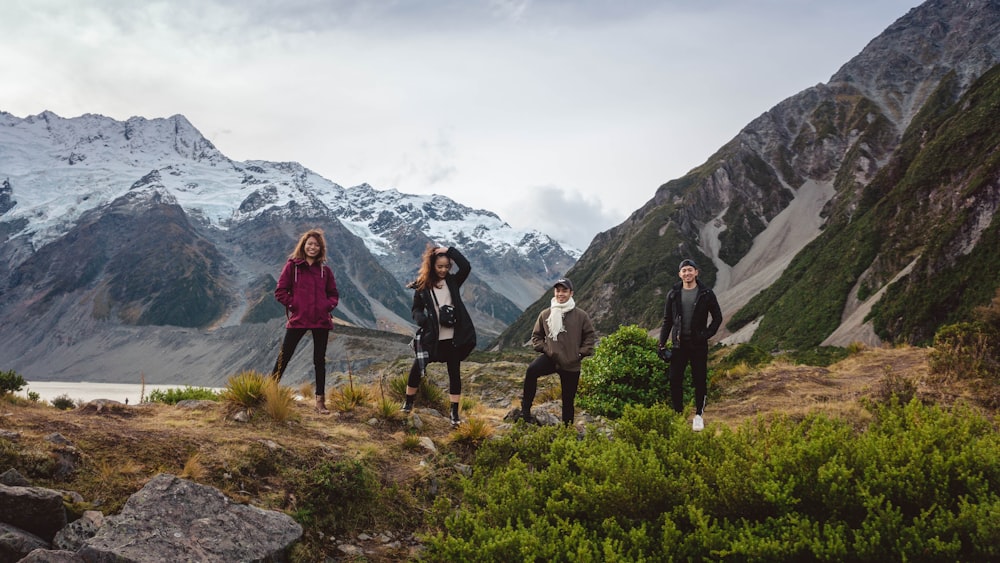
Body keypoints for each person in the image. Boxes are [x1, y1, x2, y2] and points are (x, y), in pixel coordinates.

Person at [402, 245, 477, 426]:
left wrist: (449, 250)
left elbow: (466, 266)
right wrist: (423, 320)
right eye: (439, 267)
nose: (444, 270)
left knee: (454, 373)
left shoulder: (453, 281)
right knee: (416, 369)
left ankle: (454, 413)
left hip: (453, 338)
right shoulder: (422, 285)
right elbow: (416, 309)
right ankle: (408, 403)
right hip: (432, 338)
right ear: (431, 266)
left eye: (447, 266)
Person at [271, 228, 340, 414]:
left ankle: (320, 402)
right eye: (310, 244)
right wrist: (294, 305)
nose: (313, 247)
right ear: (303, 245)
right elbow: (280, 291)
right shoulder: (292, 267)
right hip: (299, 318)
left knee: (319, 360)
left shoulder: (325, 270)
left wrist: (327, 306)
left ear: (321, 248)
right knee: (285, 355)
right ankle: (268, 392)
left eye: (316, 245)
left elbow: (334, 294)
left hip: (321, 320)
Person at [521, 278, 596, 425]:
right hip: (551, 358)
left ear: (571, 293)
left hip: (571, 362)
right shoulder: (545, 314)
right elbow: (536, 337)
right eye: (558, 290)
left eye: (564, 291)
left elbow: (590, 336)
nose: (560, 294)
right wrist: (547, 350)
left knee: (568, 400)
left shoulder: (581, 316)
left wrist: (580, 354)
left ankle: (566, 430)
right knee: (531, 371)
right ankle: (525, 412)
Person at [658, 258, 722, 431]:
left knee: (699, 380)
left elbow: (717, 318)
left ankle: (699, 415)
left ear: (696, 272)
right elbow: (667, 320)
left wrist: (706, 335)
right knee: (674, 380)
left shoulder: (706, 293)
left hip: (698, 346)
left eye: (690, 270)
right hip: (678, 345)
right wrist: (661, 344)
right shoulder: (673, 294)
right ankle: (678, 414)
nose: (687, 273)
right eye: (684, 270)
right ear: (680, 274)